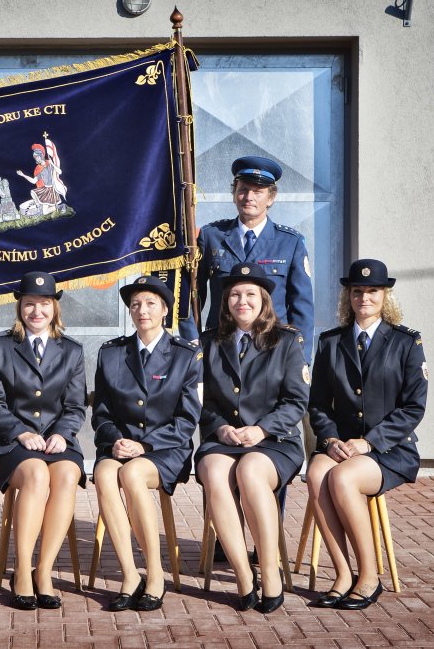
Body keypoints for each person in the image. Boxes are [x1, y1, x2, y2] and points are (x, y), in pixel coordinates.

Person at [306, 259, 427, 610]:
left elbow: (414, 408)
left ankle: (370, 577)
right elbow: (318, 405)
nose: (364, 298)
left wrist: (369, 442)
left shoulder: (406, 342)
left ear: (385, 295)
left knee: (342, 478)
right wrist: (330, 440)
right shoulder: (330, 342)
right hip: (341, 446)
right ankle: (343, 575)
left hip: (390, 450)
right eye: (357, 291)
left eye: (373, 290)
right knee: (316, 473)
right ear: (348, 296)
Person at [194, 263, 309, 613]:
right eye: (234, 295)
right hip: (224, 438)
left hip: (274, 439)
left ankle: (270, 571)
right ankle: (244, 575)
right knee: (214, 473)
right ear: (225, 301)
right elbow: (199, 400)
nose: (241, 301)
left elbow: (297, 400)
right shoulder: (209, 342)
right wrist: (219, 427)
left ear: (263, 300)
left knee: (250, 472)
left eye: (249, 294)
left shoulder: (287, 341)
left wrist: (262, 428)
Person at [92, 276, 202, 612]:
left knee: (132, 474)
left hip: (166, 450)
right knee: (104, 474)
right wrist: (115, 440)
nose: (143, 310)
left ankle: (155, 574)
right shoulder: (112, 353)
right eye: (136, 304)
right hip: (120, 445)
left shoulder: (186, 355)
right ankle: (130, 575)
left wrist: (145, 446)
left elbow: (187, 420)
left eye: (151, 303)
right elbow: (102, 414)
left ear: (165, 310)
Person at [0, 271, 86, 610]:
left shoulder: (72, 350)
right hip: (8, 441)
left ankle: (44, 571)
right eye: (29, 304)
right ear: (19, 307)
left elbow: (75, 406)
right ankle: (23, 570)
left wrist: (62, 433)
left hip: (57, 440)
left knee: (67, 475)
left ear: (55, 308)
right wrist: (21, 432)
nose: (36, 311)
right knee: (37, 474)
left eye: (44, 304)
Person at [182, 156, 313, 362]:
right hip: (220, 348)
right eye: (243, 190)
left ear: (271, 198)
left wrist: (300, 359)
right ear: (234, 194)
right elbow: (190, 295)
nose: (249, 197)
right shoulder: (211, 236)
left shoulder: (290, 242)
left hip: (273, 349)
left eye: (258, 192)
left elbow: (302, 307)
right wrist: (192, 344)